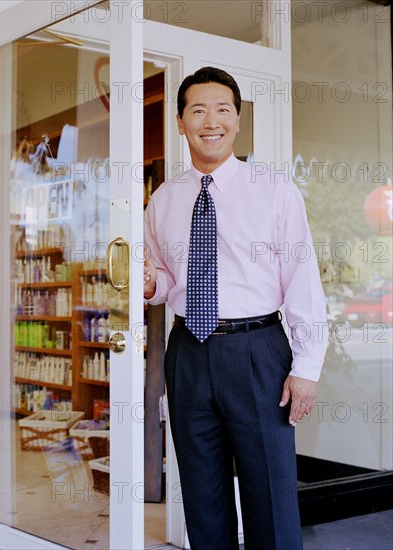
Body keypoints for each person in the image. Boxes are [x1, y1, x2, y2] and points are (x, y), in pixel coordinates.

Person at [143, 67, 329, 549]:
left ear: (238, 120)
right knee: (202, 497)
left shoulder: (275, 191)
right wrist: (149, 286)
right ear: (181, 121)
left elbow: (302, 283)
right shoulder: (163, 200)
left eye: (223, 109)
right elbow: (167, 279)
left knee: (270, 493)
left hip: (257, 350)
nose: (211, 121)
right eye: (198, 110)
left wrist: (306, 368)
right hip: (188, 350)